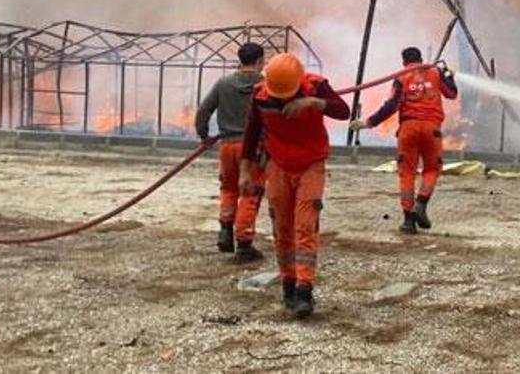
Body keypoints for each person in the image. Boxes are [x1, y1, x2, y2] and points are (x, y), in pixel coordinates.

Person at [240, 52, 350, 318]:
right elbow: (252, 132)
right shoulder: (261, 94)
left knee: (305, 223)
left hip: (311, 163)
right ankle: (288, 284)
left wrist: (314, 103)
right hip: (278, 164)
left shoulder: (316, 86)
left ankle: (304, 289)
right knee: (282, 224)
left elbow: (343, 111)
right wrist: (245, 170)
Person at [350, 47, 457, 235]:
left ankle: (408, 221)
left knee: (407, 172)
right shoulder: (435, 72)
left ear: (404, 62)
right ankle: (421, 204)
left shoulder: (401, 77)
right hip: (432, 129)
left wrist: (368, 122)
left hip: (408, 129)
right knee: (432, 169)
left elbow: (391, 106)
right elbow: (452, 93)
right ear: (421, 58)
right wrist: (449, 76)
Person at [194, 42, 266, 262]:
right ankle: (244, 243)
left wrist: (204, 135)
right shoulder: (266, 85)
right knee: (250, 192)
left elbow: (203, 111)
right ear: (260, 61)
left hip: (227, 146)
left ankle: (225, 230)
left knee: (228, 188)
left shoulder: (224, 83)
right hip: (253, 148)